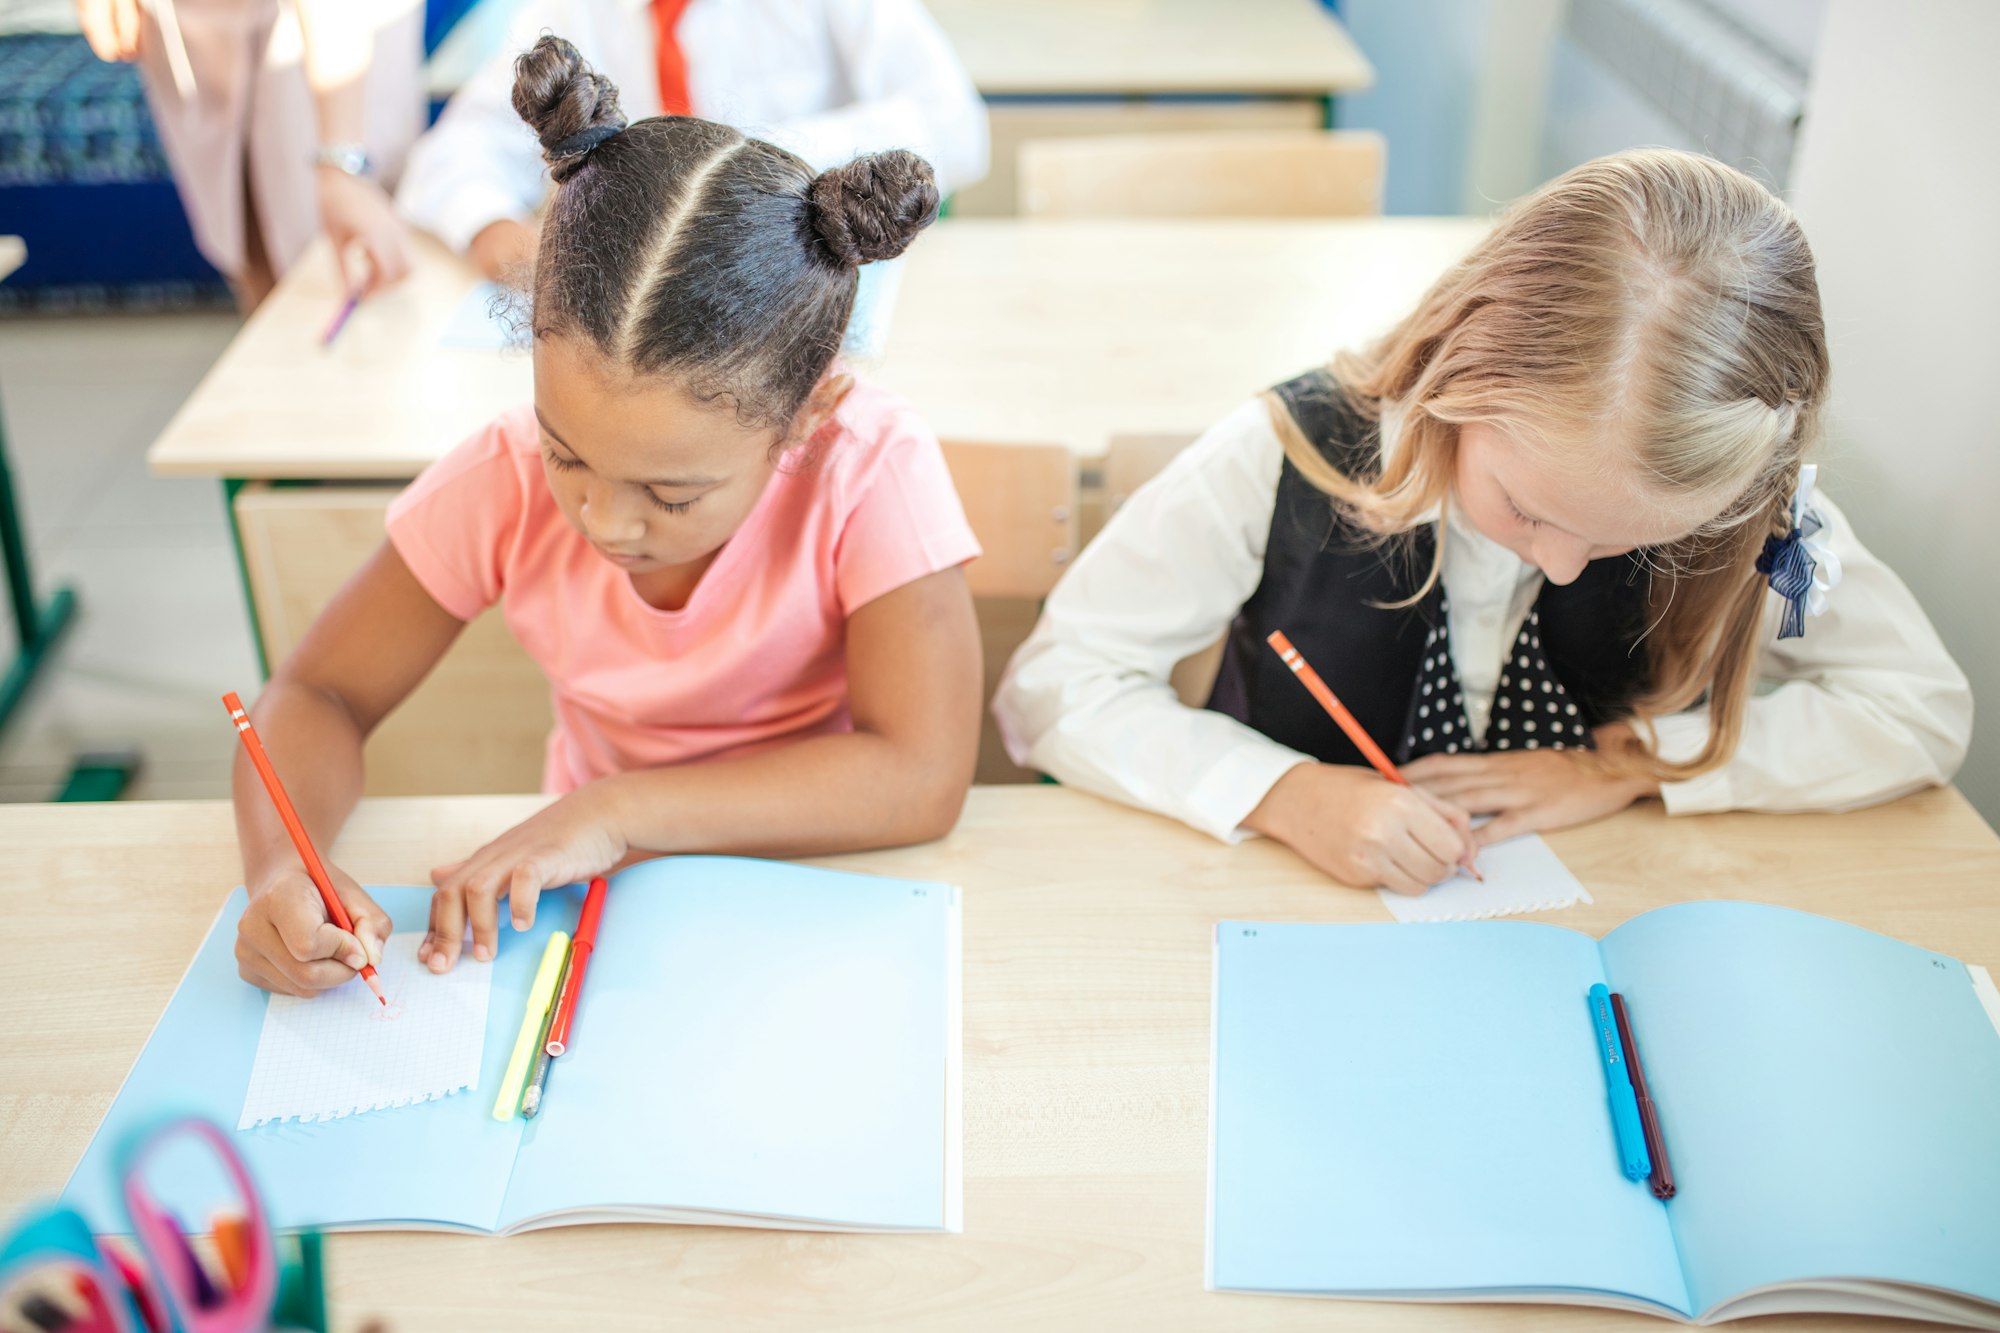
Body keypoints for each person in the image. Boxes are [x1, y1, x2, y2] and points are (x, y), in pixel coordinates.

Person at [994, 149, 1971, 896]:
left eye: (1618, 540)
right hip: (1287, 916)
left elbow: (1915, 708)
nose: (1559, 563)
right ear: (1456, 383)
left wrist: (1626, 766)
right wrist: (1279, 793)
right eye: (1529, 510)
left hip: (1599, 913)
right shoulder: (1284, 453)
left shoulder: (1736, 495)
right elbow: (1051, 686)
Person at [230, 36, 982, 995]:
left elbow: (918, 776)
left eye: (672, 494)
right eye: (566, 451)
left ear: (808, 416)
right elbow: (317, 695)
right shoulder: (501, 476)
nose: (603, 520)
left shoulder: (870, 466)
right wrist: (279, 869)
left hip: (823, 877)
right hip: (588, 899)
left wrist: (619, 812)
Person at [398, 0, 990, 282]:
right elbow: (460, 147)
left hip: (819, 278)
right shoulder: (576, 9)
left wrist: (741, 161)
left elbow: (956, 126)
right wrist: (497, 234)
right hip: (652, 299)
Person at [74, 0, 421, 308]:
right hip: (197, 22)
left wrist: (342, 163)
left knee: (337, 266)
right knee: (242, 242)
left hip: (331, 29)